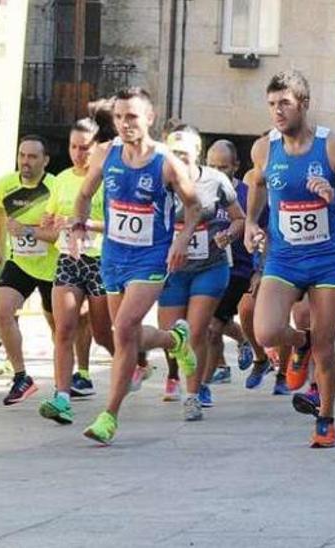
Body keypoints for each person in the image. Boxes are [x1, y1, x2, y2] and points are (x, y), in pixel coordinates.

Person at [244, 70, 335, 448]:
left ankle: (326, 418)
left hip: (327, 258)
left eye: (284, 103)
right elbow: (258, 185)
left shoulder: (331, 145)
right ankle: (298, 343)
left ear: (304, 103)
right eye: (271, 104)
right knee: (265, 330)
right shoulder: (264, 147)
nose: (277, 112)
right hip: (283, 258)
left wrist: (334, 195)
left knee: (326, 348)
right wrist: (252, 222)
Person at [68, 87, 201, 444]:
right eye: (119, 117)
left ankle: (109, 416)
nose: (125, 124)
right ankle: (175, 339)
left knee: (125, 326)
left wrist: (181, 239)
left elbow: (194, 205)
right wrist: (78, 227)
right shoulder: (105, 154)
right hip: (114, 256)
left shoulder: (165, 161)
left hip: (151, 258)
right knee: (122, 334)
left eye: (132, 117)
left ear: (149, 118)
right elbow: (83, 196)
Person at [157, 126, 244, 420]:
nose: (178, 158)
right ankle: (185, 378)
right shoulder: (159, 180)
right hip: (173, 270)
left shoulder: (216, 180)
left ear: (197, 152)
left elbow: (239, 220)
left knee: (197, 331)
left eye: (184, 153)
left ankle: (194, 394)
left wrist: (229, 235)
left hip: (210, 266)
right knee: (173, 337)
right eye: (173, 153)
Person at [38, 119, 118, 423]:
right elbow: (51, 217)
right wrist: (50, 223)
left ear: (96, 147)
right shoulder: (60, 179)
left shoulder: (108, 179)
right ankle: (61, 396)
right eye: (73, 146)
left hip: (100, 260)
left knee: (102, 333)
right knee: (64, 329)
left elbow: (118, 224)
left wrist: (85, 223)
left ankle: (133, 359)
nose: (78, 153)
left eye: (84, 147)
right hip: (69, 259)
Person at [0, 135, 60, 406]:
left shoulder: (55, 187)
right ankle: (21, 377)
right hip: (19, 261)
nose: (25, 162)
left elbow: (58, 235)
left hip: (52, 266)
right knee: (3, 310)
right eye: (22, 155)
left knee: (60, 328)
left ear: (45, 161)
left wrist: (29, 230)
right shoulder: (6, 185)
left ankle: (65, 380)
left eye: (32, 157)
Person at [204, 139, 268, 387]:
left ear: (236, 166)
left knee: (212, 327)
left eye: (223, 168)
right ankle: (242, 341)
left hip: (237, 270)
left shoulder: (246, 194)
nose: (217, 173)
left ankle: (202, 387)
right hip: (204, 269)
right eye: (212, 167)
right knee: (203, 324)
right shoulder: (197, 191)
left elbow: (266, 232)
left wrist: (260, 270)